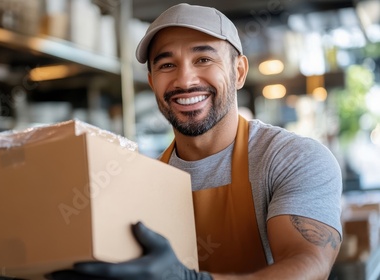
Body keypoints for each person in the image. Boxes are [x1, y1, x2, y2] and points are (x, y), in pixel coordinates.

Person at [49, 3, 343, 280]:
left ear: (238, 71)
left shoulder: (292, 159)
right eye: (166, 65)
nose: (185, 80)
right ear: (152, 83)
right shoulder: (139, 182)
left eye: (203, 59)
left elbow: (309, 266)